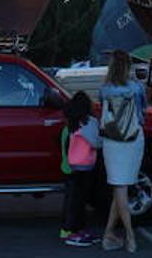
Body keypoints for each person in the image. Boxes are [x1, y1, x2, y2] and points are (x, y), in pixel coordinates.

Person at [98, 50, 146, 253]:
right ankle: (130, 236)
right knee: (123, 187)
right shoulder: (137, 88)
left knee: (119, 189)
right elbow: (143, 113)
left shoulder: (104, 89)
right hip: (133, 139)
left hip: (112, 141)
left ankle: (109, 234)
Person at [60, 91, 102, 247]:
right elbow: (96, 142)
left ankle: (73, 230)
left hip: (73, 165)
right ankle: (76, 232)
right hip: (86, 166)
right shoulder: (89, 122)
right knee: (81, 201)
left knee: (74, 200)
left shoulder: (72, 122)